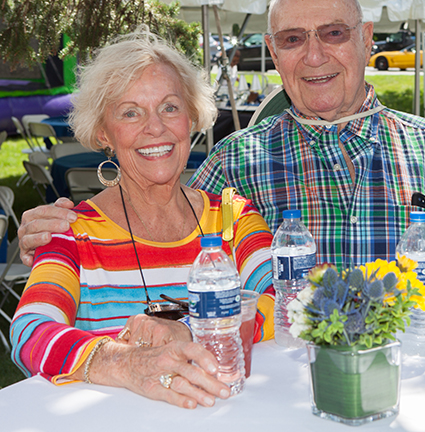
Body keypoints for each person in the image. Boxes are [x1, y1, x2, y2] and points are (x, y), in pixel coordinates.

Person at [18, 0, 425, 272]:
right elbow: (160, 244)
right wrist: (61, 239)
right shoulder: (235, 163)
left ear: (366, 40)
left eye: (333, 33)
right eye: (292, 39)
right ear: (273, 51)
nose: (314, 55)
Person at [11, 31, 275, 408]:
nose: (155, 128)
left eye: (170, 107)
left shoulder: (233, 217)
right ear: (104, 132)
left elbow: (284, 298)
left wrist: (188, 333)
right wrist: (124, 362)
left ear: (192, 117)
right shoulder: (72, 233)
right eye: (131, 112)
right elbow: (29, 333)